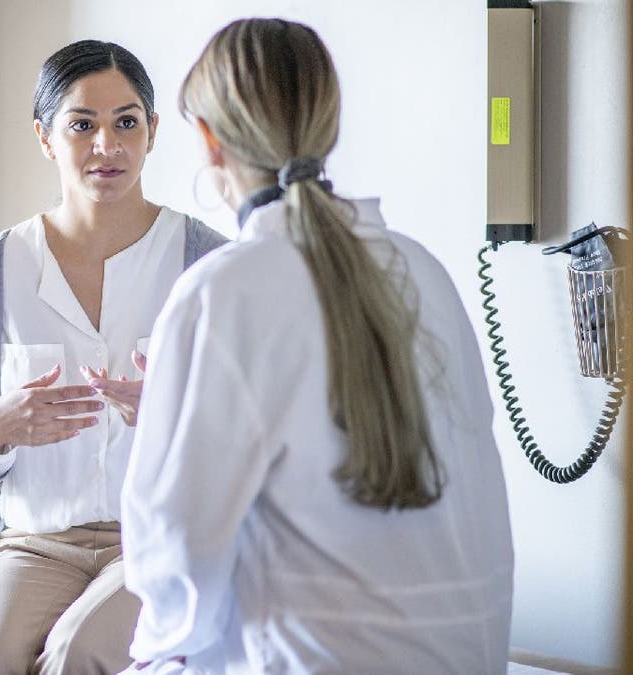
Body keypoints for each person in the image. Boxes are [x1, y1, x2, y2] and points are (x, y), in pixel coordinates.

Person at [120, 18, 514, 674]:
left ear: (209, 142)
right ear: (326, 126)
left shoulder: (223, 289)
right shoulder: (423, 270)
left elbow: (175, 555)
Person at [0, 39, 227, 674]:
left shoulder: (208, 266)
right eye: (82, 125)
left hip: (157, 543)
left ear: (152, 132)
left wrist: (175, 417)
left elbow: (252, 445)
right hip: (32, 545)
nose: (107, 145)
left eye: (127, 122)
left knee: (77, 654)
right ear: (45, 137)